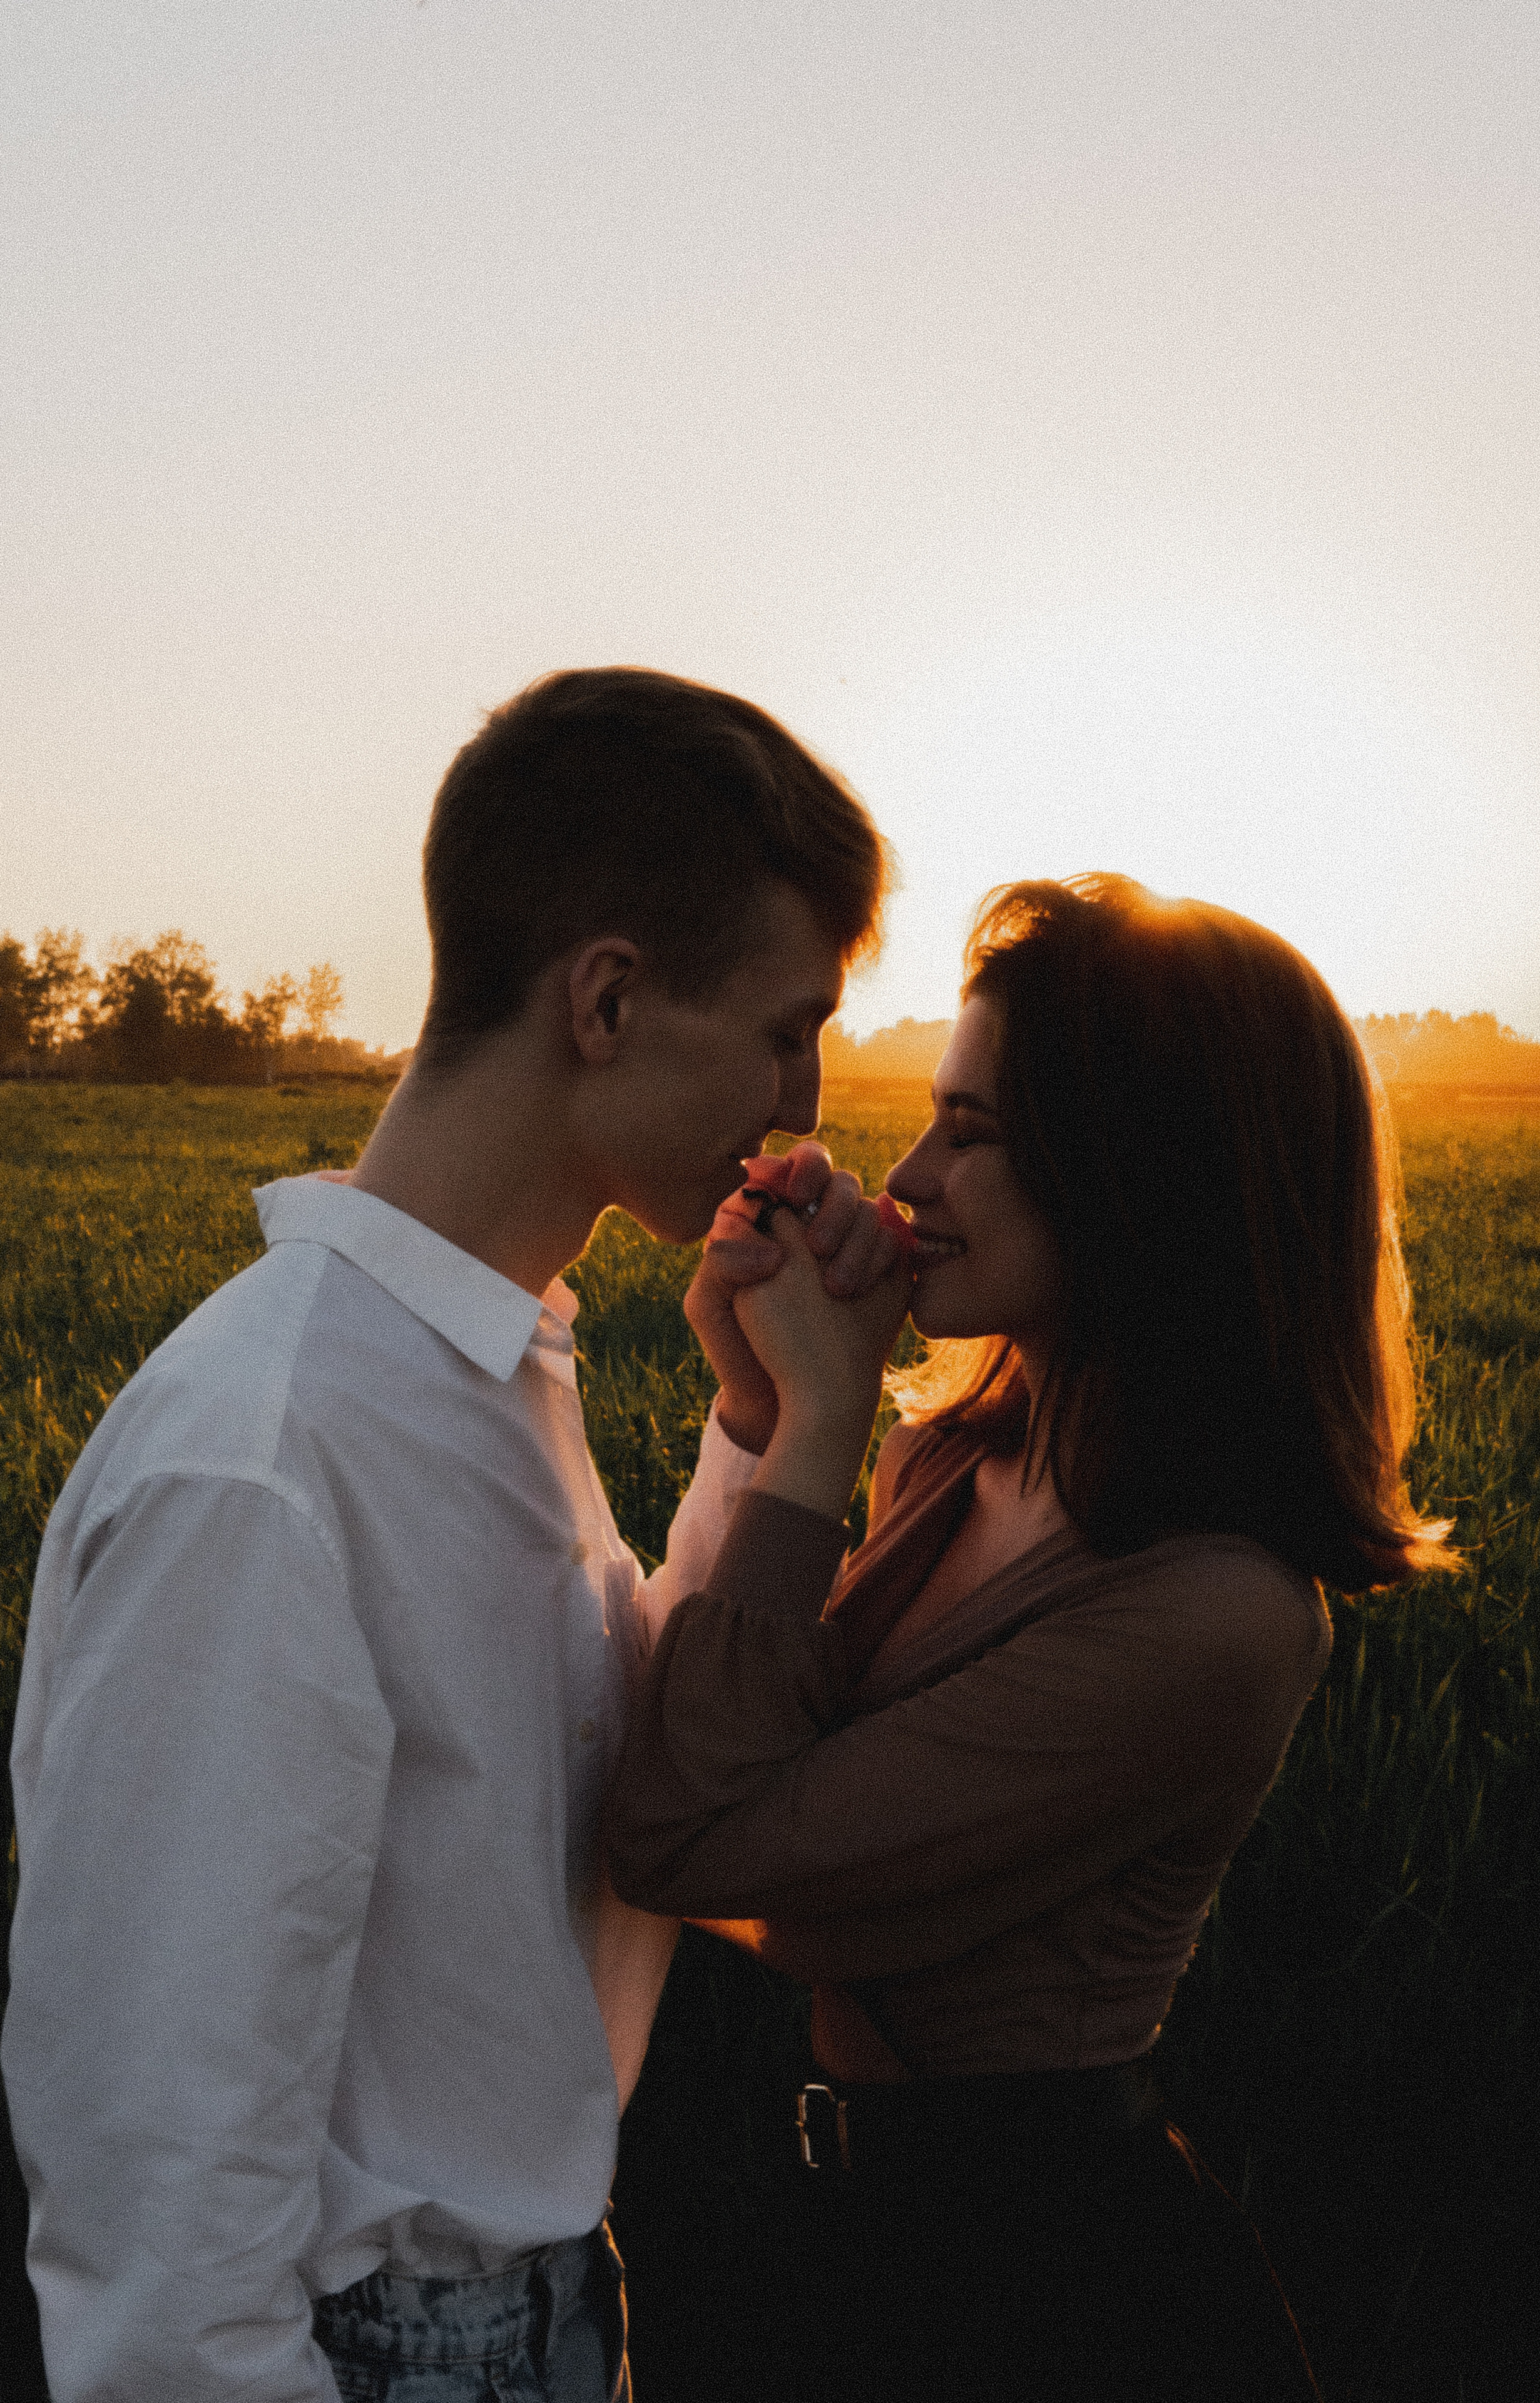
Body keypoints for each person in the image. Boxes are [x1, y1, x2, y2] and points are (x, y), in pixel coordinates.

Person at [1, 667, 909, 2402]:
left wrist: (760, 1431)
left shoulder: (477, 1371)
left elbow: (613, 1797)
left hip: (539, 2310)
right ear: (611, 1001)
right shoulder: (267, 1464)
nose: (804, 1099)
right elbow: (160, 2223)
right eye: (788, 1026)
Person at [605, 874, 1460, 2402]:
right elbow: (749, 1780)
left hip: (1055, 2288)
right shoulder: (949, 1462)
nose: (907, 1180)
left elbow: (697, 1840)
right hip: (853, 2236)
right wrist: (758, 1406)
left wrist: (811, 1436)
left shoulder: (1215, 1618)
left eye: (975, 1134)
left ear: (1141, 1172)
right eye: (931, 1117)